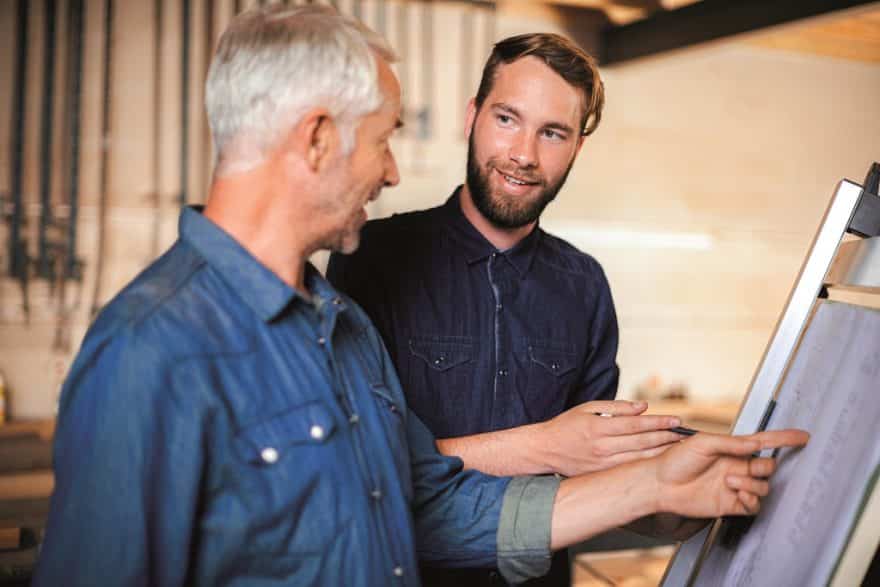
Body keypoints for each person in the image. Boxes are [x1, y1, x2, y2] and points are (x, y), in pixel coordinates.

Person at [33, 6, 808, 587]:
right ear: (315, 139)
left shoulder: (341, 331)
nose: (394, 171)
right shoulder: (150, 350)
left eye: (553, 132)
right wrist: (548, 447)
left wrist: (653, 483)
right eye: (384, 138)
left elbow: (430, 504)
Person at [327, 32, 677, 585]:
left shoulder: (585, 285)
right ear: (472, 117)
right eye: (507, 119)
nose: (524, 155)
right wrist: (541, 446)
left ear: (577, 148)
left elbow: (589, 471)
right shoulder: (373, 259)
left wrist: (667, 483)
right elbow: (362, 464)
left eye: (553, 132)